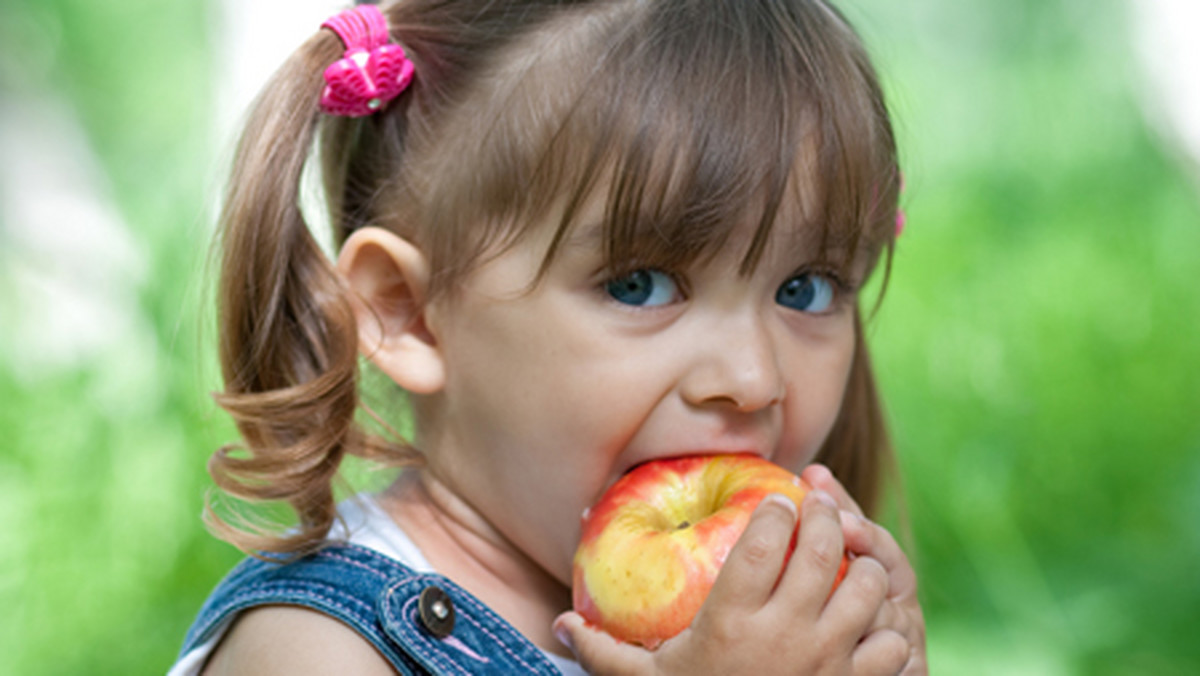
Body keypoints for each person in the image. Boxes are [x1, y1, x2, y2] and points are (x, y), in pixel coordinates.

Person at [172, 0, 927, 673]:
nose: (754, 376)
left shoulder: (775, 629)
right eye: (640, 285)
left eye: (807, 288)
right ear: (410, 310)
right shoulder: (317, 649)